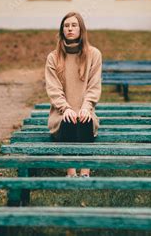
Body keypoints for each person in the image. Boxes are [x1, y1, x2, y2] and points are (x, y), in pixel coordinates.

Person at [44, 11, 102, 178]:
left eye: (74, 25)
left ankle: (85, 171)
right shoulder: (53, 58)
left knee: (85, 119)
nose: (70, 29)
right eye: (66, 26)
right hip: (61, 114)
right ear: (62, 30)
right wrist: (66, 108)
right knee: (69, 120)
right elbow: (53, 89)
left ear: (81, 29)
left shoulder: (94, 55)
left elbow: (94, 85)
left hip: (85, 111)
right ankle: (70, 172)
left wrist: (86, 108)